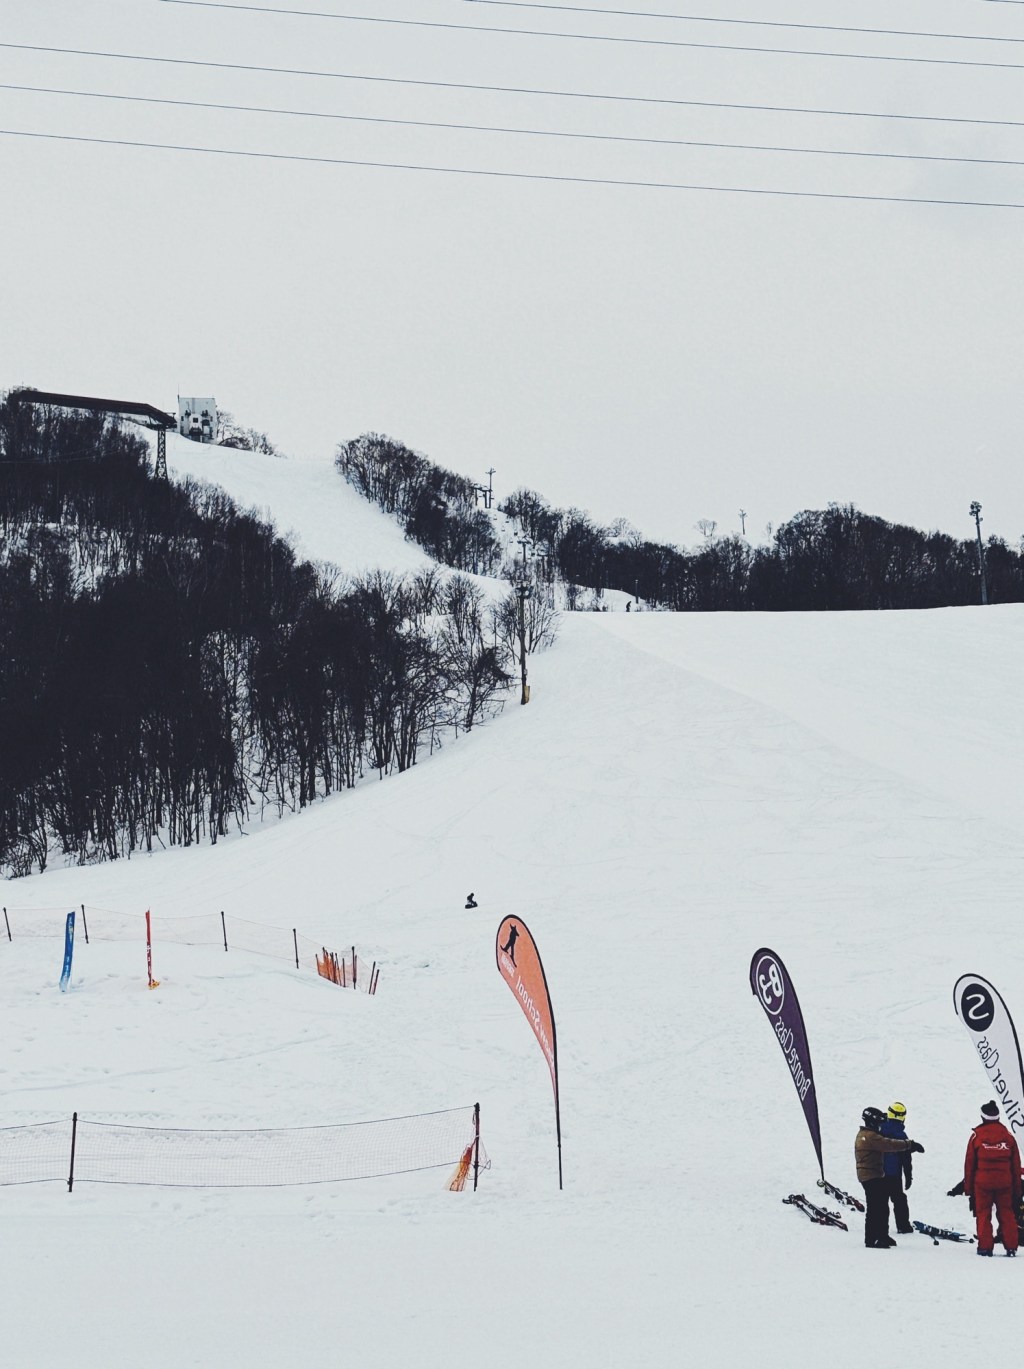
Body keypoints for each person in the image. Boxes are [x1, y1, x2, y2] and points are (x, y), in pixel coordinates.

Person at [855, 1106, 924, 1249]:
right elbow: (890, 1144)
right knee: (875, 1208)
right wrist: (910, 1145)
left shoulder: (868, 1134)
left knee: (881, 1207)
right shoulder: (871, 1136)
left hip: (875, 1175)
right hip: (871, 1176)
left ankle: (882, 1235)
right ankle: (872, 1239)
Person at [964, 1100, 1022, 1257]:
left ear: (983, 1117)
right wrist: (1018, 1189)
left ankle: (985, 1247)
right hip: (1005, 1182)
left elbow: (970, 1164)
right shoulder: (1008, 1137)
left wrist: (968, 1189)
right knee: (1007, 1213)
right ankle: (1011, 1247)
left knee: (983, 1213)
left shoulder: (976, 1136)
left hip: (982, 1183)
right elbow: (1016, 1165)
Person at [880, 1101, 914, 1235]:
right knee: (899, 1200)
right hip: (894, 1174)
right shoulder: (901, 1135)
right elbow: (906, 1159)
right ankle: (903, 1226)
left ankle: (881, 1226)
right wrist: (908, 1175)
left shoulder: (879, 1129)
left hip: (878, 1172)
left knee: (881, 1200)